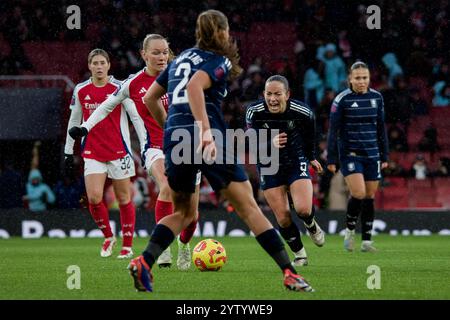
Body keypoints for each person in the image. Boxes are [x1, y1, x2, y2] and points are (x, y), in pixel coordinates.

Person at [131, 9, 314, 293]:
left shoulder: (179, 59)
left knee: (182, 214)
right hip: (208, 138)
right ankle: (289, 273)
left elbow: (149, 97)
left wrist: (170, 128)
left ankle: (144, 261)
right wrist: (204, 131)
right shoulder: (220, 60)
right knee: (249, 207)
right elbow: (194, 87)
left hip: (176, 139)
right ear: (221, 33)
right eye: (226, 31)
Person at [69, 35, 197, 270]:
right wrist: (85, 127)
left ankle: (185, 245)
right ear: (143, 54)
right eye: (156, 52)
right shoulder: (133, 83)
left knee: (192, 214)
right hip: (155, 148)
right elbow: (107, 106)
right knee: (167, 187)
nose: (161, 57)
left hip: (187, 147)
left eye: (165, 52)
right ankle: (165, 246)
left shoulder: (183, 75)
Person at [65, 48, 146, 259]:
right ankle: (108, 236)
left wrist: (144, 146)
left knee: (123, 198)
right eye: (95, 63)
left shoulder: (120, 88)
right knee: (93, 198)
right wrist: (67, 152)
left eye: (103, 63)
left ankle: (127, 245)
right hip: (92, 151)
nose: (99, 67)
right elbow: (74, 122)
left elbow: (135, 117)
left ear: (109, 65)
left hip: (119, 151)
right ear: (89, 65)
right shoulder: (81, 90)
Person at [245, 75, 325, 267]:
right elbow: (248, 141)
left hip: (296, 160)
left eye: (277, 94)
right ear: (263, 94)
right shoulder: (253, 112)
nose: (272, 99)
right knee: (282, 217)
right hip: (269, 163)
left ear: (287, 94)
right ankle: (300, 255)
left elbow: (311, 131)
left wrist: (312, 156)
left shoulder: (302, 112)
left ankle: (311, 224)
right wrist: (269, 143)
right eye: (269, 94)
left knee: (303, 209)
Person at [326, 61, 389, 253]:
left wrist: (384, 154)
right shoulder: (341, 100)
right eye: (358, 78)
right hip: (350, 155)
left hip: (373, 154)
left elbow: (381, 128)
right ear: (350, 79)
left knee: (370, 195)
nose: (362, 81)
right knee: (359, 193)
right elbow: (333, 131)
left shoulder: (377, 98)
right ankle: (350, 231)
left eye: (365, 78)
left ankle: (367, 241)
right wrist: (331, 159)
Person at [23, 141, 55, 212]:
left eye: (36, 179)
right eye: (33, 179)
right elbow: (23, 197)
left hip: (42, 212)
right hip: (30, 212)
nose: (35, 180)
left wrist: (46, 197)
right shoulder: (28, 186)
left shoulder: (44, 187)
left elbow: (52, 200)